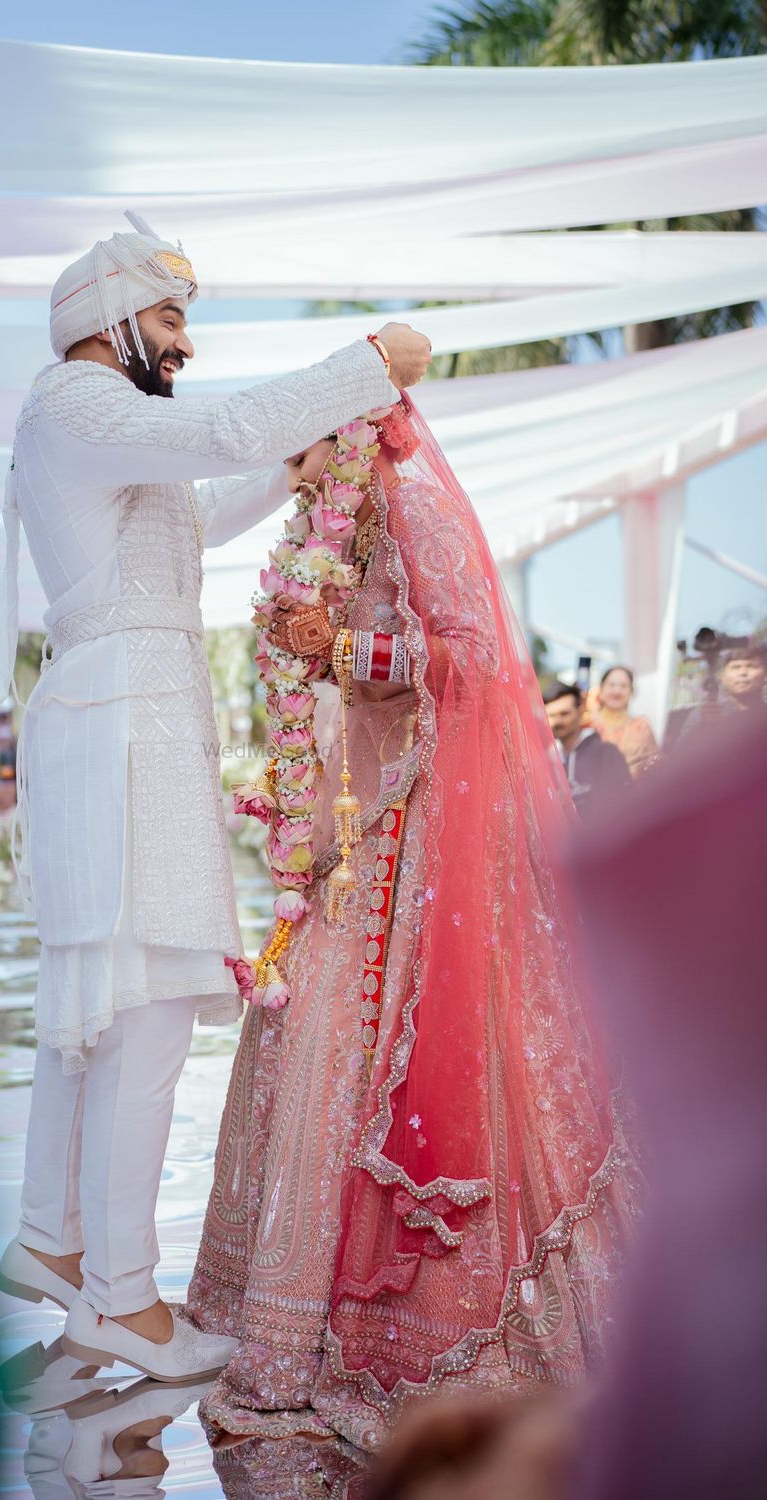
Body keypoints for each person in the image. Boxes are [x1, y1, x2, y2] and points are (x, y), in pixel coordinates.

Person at [0, 212, 431, 1384]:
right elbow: (229, 425)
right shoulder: (76, 403)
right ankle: (121, 1301)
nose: (183, 343)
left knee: (113, 1000)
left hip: (132, 716)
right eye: (172, 317)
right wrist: (366, 367)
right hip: (125, 722)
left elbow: (201, 508)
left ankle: (53, 1242)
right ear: (111, 319)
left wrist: (298, 463)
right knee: (149, 1005)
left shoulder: (106, 436)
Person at [185, 396, 637, 1450]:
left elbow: (473, 657)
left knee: (411, 1053)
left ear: (339, 429)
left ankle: (433, 1329)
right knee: (316, 1048)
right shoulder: (320, 526)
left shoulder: (417, 503)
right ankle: (289, 1326)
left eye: (291, 435)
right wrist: (315, 652)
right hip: (356, 825)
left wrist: (344, 649)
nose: (277, 460)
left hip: (425, 838)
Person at [543, 682, 631, 818]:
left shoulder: (605, 753)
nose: (557, 722)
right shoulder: (548, 760)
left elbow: (624, 806)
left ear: (580, 711)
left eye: (564, 714)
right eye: (551, 715)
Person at [586, 665, 658, 776]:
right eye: (611, 685)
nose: (617, 691)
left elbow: (654, 764)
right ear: (601, 689)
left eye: (623, 686)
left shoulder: (641, 726)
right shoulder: (588, 724)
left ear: (632, 691)